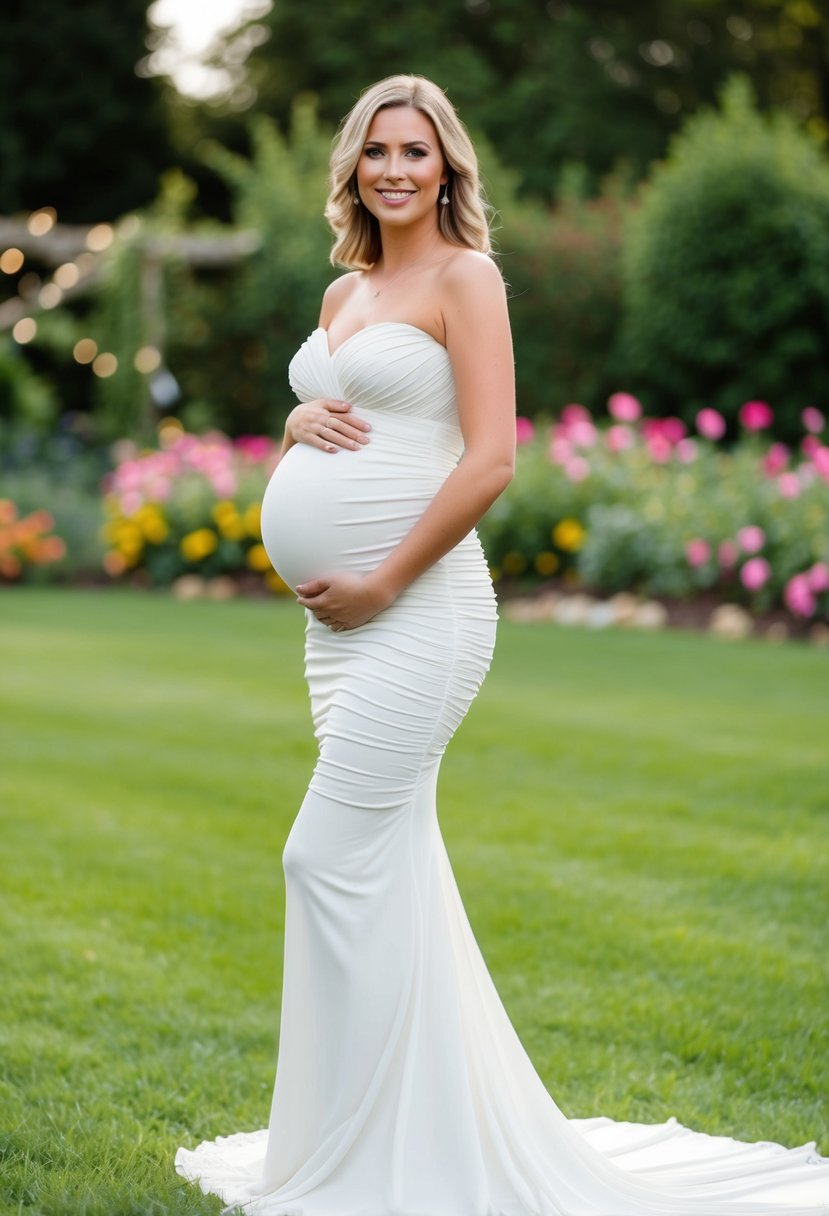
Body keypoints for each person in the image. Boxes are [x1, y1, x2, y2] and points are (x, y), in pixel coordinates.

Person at [175, 75, 829, 1216]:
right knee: (388, 869)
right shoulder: (345, 291)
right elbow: (340, 406)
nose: (392, 169)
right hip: (340, 635)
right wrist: (293, 419)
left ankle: (376, 1150)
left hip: (419, 614)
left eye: (414, 152)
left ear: (447, 169)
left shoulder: (467, 279)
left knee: (321, 859)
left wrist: (381, 579)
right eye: (375, 149)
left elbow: (489, 459)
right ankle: (377, 1138)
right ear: (354, 166)